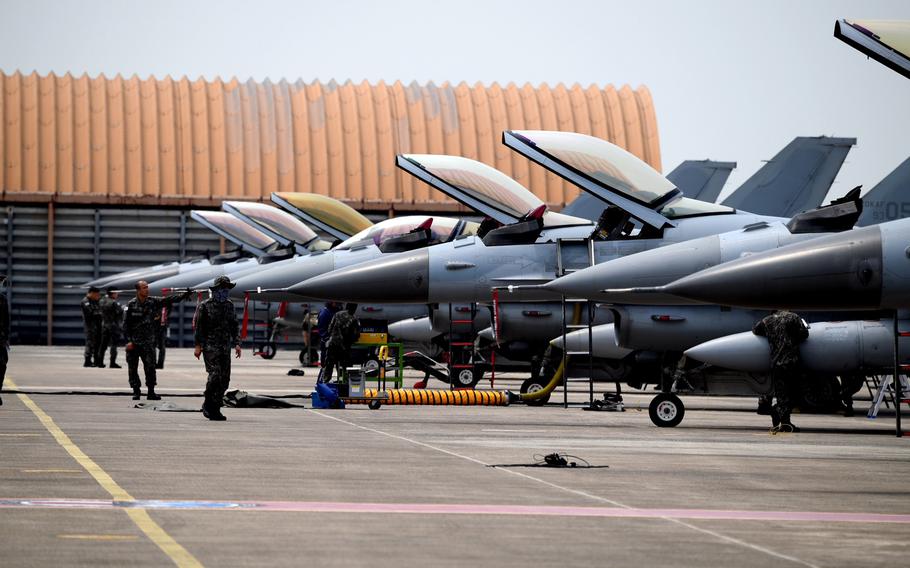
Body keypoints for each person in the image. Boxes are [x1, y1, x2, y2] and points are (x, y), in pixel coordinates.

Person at [124, 280, 191, 400]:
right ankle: (136, 391)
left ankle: (151, 392)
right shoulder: (131, 304)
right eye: (144, 288)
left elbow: (168, 300)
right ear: (138, 290)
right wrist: (129, 341)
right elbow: (125, 325)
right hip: (134, 342)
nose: (147, 289)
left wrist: (184, 295)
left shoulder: (152, 301)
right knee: (132, 369)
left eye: (147, 287)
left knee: (150, 368)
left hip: (148, 342)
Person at [193, 276, 242, 421]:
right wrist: (198, 346)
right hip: (210, 347)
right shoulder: (205, 305)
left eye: (227, 288)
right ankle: (209, 403)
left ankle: (215, 407)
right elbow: (199, 327)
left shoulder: (229, 305)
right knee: (215, 376)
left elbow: (234, 325)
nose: (224, 291)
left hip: (225, 347)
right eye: (222, 288)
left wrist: (237, 343)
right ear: (215, 289)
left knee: (225, 380)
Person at [752, 310, 809, 432]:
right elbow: (804, 334)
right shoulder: (793, 317)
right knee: (795, 392)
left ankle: (783, 420)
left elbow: (756, 330)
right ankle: (781, 418)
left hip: (777, 363)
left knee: (782, 394)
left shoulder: (767, 320)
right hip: (791, 361)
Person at [317, 303, 359, 384]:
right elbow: (356, 335)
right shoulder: (354, 318)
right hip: (344, 348)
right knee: (344, 368)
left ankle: (324, 385)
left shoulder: (337, 314)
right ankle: (344, 385)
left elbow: (329, 329)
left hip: (333, 345)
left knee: (328, 366)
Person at [99, 286, 124, 369]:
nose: (117, 295)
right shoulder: (114, 303)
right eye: (116, 293)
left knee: (103, 345)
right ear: (113, 293)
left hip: (104, 325)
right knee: (113, 345)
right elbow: (120, 313)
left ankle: (100, 362)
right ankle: (112, 363)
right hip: (113, 326)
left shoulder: (102, 301)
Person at [81, 286, 104, 367]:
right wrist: (100, 313)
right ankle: (87, 361)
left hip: (97, 325)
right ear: (91, 293)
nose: (98, 296)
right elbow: (91, 313)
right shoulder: (85, 301)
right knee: (90, 343)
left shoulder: (95, 301)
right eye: (96, 294)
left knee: (98, 343)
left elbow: (100, 311)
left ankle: (96, 361)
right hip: (90, 326)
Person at [316, 301, 341, 370]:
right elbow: (322, 330)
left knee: (339, 364)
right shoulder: (325, 313)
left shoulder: (337, 312)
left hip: (336, 342)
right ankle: (324, 379)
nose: (337, 304)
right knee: (326, 365)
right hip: (328, 342)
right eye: (335, 303)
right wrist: (327, 339)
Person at [0, 275, 9, 406]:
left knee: (2, 365)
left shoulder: (2, 299)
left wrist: (5, 338)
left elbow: (6, 320)